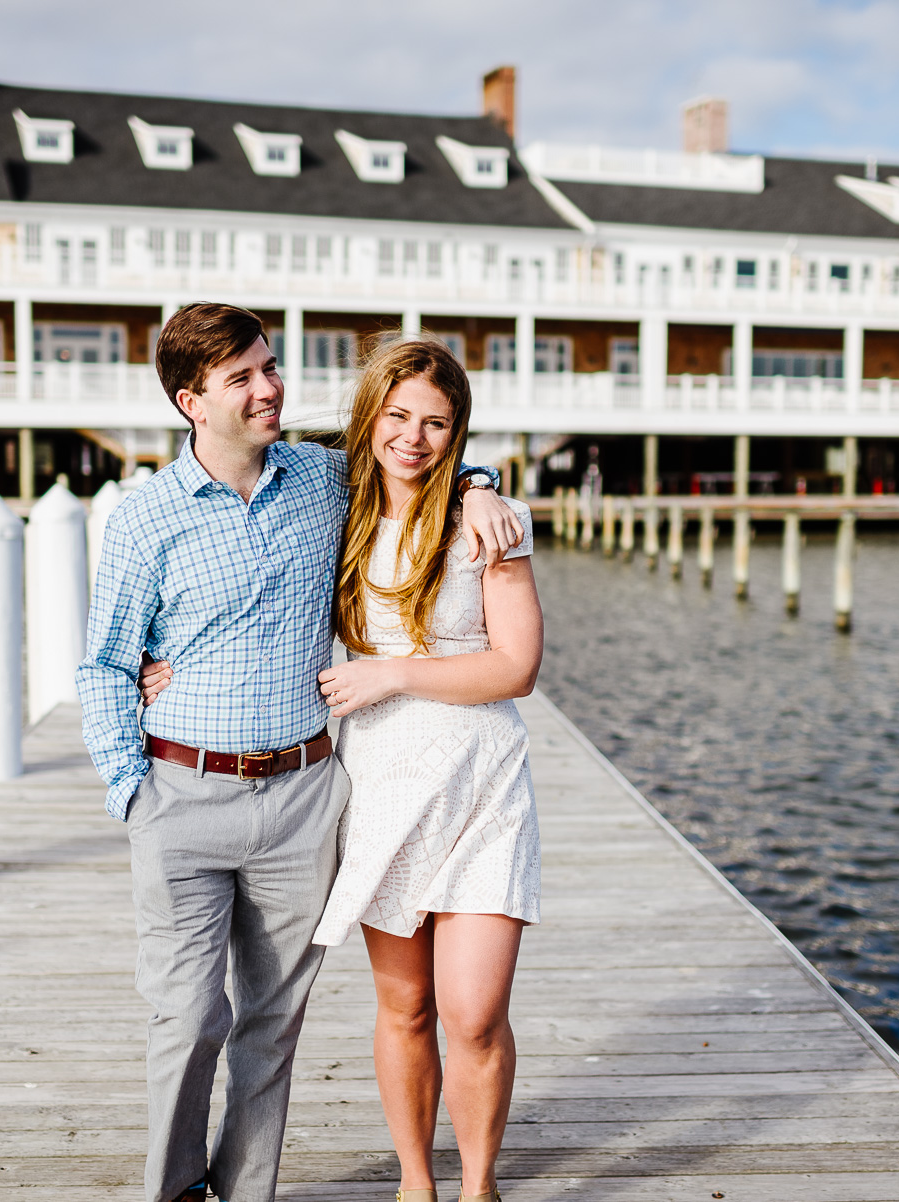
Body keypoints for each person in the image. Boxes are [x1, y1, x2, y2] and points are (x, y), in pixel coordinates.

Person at [77, 302, 523, 1202]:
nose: (269, 386)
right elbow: (105, 665)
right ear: (190, 400)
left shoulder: (324, 480)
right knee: (188, 1017)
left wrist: (480, 483)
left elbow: (414, 444)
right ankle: (170, 1190)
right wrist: (133, 790)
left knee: (272, 1024)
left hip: (304, 796)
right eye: (242, 376)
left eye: (269, 367)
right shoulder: (145, 520)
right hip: (182, 794)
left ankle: (248, 1195)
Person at [314, 338, 542, 1202]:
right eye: (399, 415)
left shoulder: (489, 523)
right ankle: (417, 1183)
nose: (414, 437)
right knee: (405, 1008)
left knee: (473, 1014)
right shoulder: (334, 508)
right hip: (383, 788)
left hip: (483, 786)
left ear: (459, 431)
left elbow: (515, 667)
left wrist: (397, 670)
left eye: (437, 424)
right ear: (371, 415)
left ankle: (478, 1185)